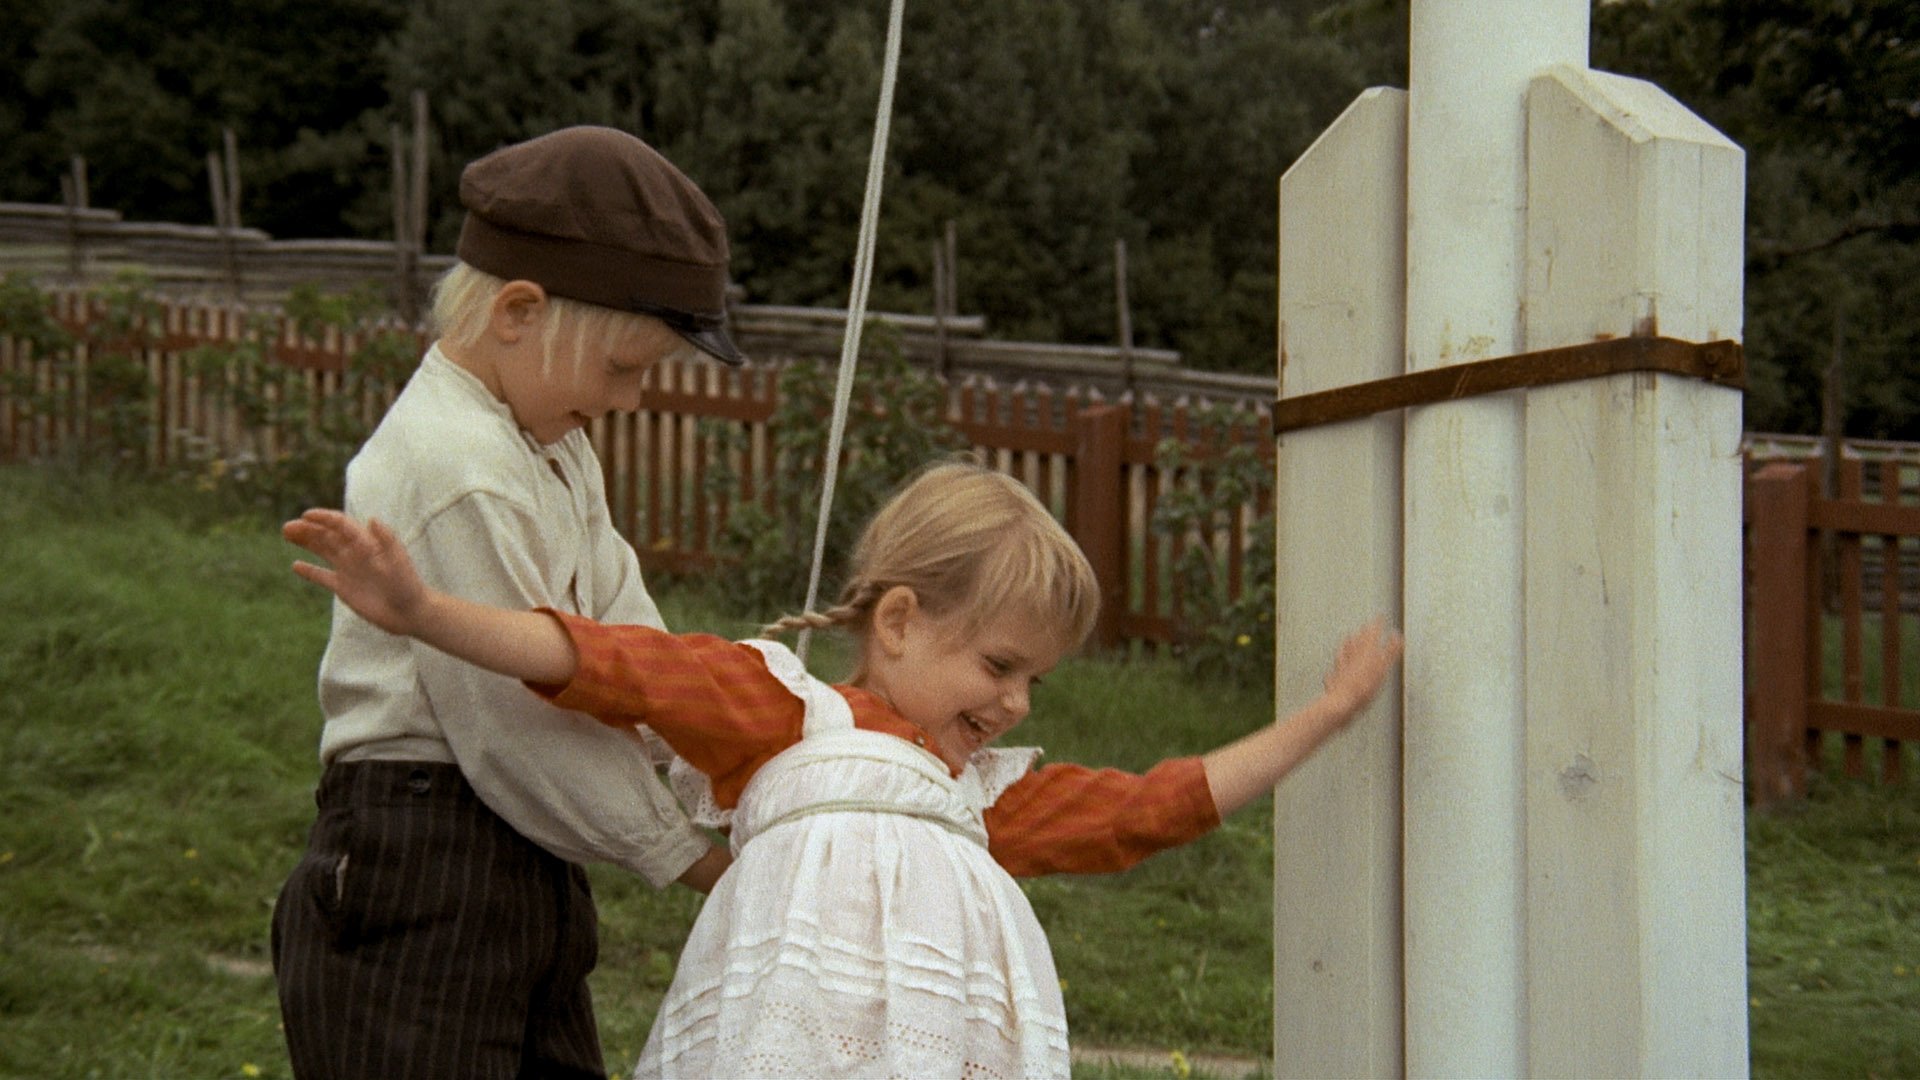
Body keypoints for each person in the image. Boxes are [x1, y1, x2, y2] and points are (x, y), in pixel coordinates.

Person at [282, 460, 1403, 1079]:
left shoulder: (982, 802)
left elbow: (1158, 807)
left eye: (1037, 683)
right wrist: (426, 611)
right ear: (903, 621)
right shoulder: (788, 713)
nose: (1014, 702)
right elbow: (605, 664)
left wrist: (1326, 716)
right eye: (1000, 664)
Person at [270, 126, 742, 1080]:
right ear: (520, 311)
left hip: (526, 855)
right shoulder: (459, 466)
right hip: (420, 863)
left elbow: (621, 633)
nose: (631, 399)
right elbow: (515, 723)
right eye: (623, 368)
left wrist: (726, 758)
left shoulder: (554, 445)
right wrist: (694, 859)